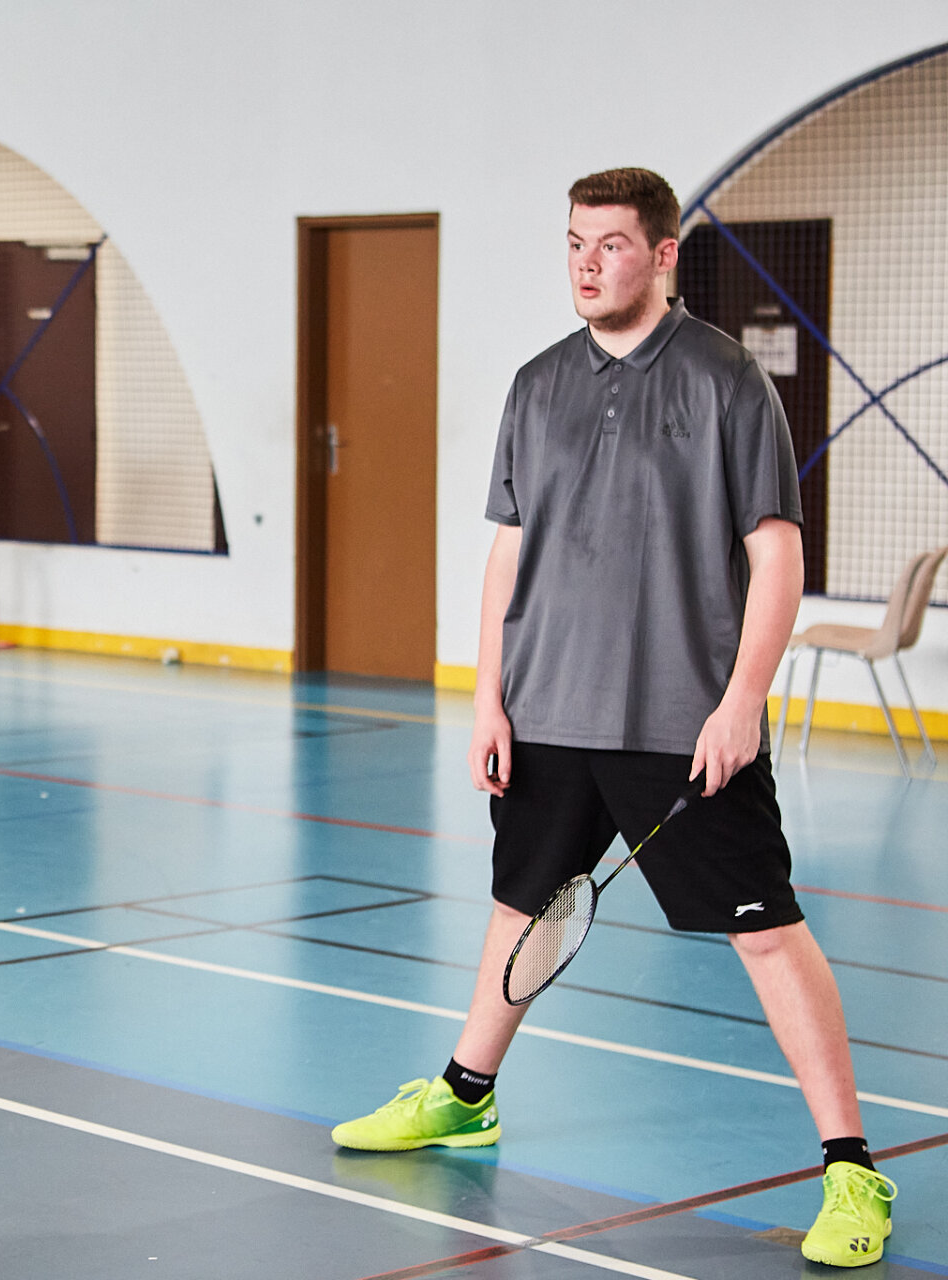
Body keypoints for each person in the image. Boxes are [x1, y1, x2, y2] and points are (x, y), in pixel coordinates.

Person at [330, 170, 896, 1268]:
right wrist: (488, 696)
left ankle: (851, 1164)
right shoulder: (537, 384)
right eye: (575, 244)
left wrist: (742, 701)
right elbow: (510, 552)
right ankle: (465, 1094)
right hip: (547, 711)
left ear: (665, 254)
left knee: (765, 930)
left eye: (613, 245)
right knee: (519, 908)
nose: (588, 265)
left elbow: (777, 556)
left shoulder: (729, 382)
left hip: (682, 724)